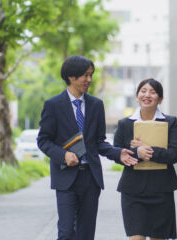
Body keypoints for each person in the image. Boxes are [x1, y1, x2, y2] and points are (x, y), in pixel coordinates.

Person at [37, 55, 138, 240]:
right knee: (66, 232)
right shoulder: (53, 105)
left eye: (91, 75)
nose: (89, 80)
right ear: (71, 77)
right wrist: (63, 155)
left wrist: (118, 153)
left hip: (90, 179)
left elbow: (98, 142)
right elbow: (43, 140)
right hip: (66, 178)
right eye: (85, 75)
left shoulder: (96, 105)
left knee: (85, 233)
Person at [114, 78, 177, 240]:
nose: (147, 95)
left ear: (160, 99)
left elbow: (175, 154)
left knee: (158, 237)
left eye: (152, 92)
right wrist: (137, 152)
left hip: (161, 190)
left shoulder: (170, 122)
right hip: (133, 190)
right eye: (143, 91)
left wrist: (149, 149)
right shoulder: (125, 124)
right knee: (136, 237)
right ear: (137, 96)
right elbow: (117, 153)